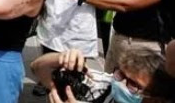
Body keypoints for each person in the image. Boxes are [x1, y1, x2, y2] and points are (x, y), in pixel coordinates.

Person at [32, 47, 165, 103]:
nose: (121, 83)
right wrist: (61, 58)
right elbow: (37, 68)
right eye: (121, 74)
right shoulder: (104, 83)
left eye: (133, 84)